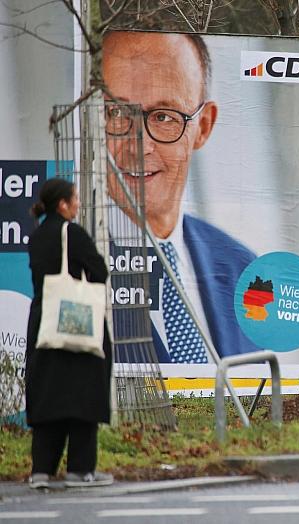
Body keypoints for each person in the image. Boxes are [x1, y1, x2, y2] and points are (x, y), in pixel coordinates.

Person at [102, 31, 259, 363]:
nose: (139, 146)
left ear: (203, 126)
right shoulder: (62, 261)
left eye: (163, 117)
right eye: (117, 114)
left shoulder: (242, 270)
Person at [25, 178, 113, 489]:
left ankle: (41, 470)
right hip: (76, 322)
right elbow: (99, 270)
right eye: (75, 198)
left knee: (49, 396)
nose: (77, 203)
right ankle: (80, 469)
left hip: (44, 323)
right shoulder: (71, 233)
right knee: (83, 394)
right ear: (62, 204)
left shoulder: (36, 237)